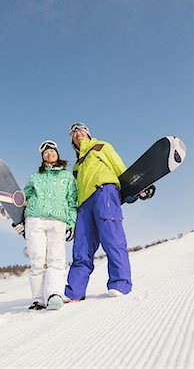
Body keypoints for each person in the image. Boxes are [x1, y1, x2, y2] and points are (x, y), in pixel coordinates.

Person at [65, 122, 132, 301]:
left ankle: (120, 283)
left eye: (80, 130)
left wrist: (131, 187)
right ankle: (74, 292)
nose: (77, 134)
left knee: (112, 239)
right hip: (84, 205)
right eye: (73, 133)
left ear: (87, 133)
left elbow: (119, 167)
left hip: (104, 192)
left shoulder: (100, 146)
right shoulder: (76, 166)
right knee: (82, 248)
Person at [21, 140, 77, 310]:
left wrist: (71, 223)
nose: (49, 154)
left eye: (52, 151)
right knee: (37, 259)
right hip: (34, 219)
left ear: (57, 154)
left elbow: (72, 200)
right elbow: (23, 198)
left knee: (56, 259)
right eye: (46, 152)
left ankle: (54, 294)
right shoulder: (35, 177)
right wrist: (15, 215)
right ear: (42, 157)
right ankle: (38, 298)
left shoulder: (67, 176)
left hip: (58, 220)